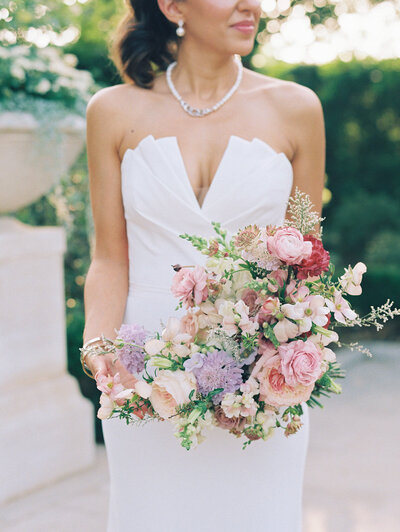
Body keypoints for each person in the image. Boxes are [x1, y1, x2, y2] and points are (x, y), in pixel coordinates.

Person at [81, 0, 325, 530]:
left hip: (259, 379)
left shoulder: (297, 108)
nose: (251, 5)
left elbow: (305, 263)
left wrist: (290, 356)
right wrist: (99, 347)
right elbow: (108, 255)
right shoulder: (112, 110)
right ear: (171, 6)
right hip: (143, 374)